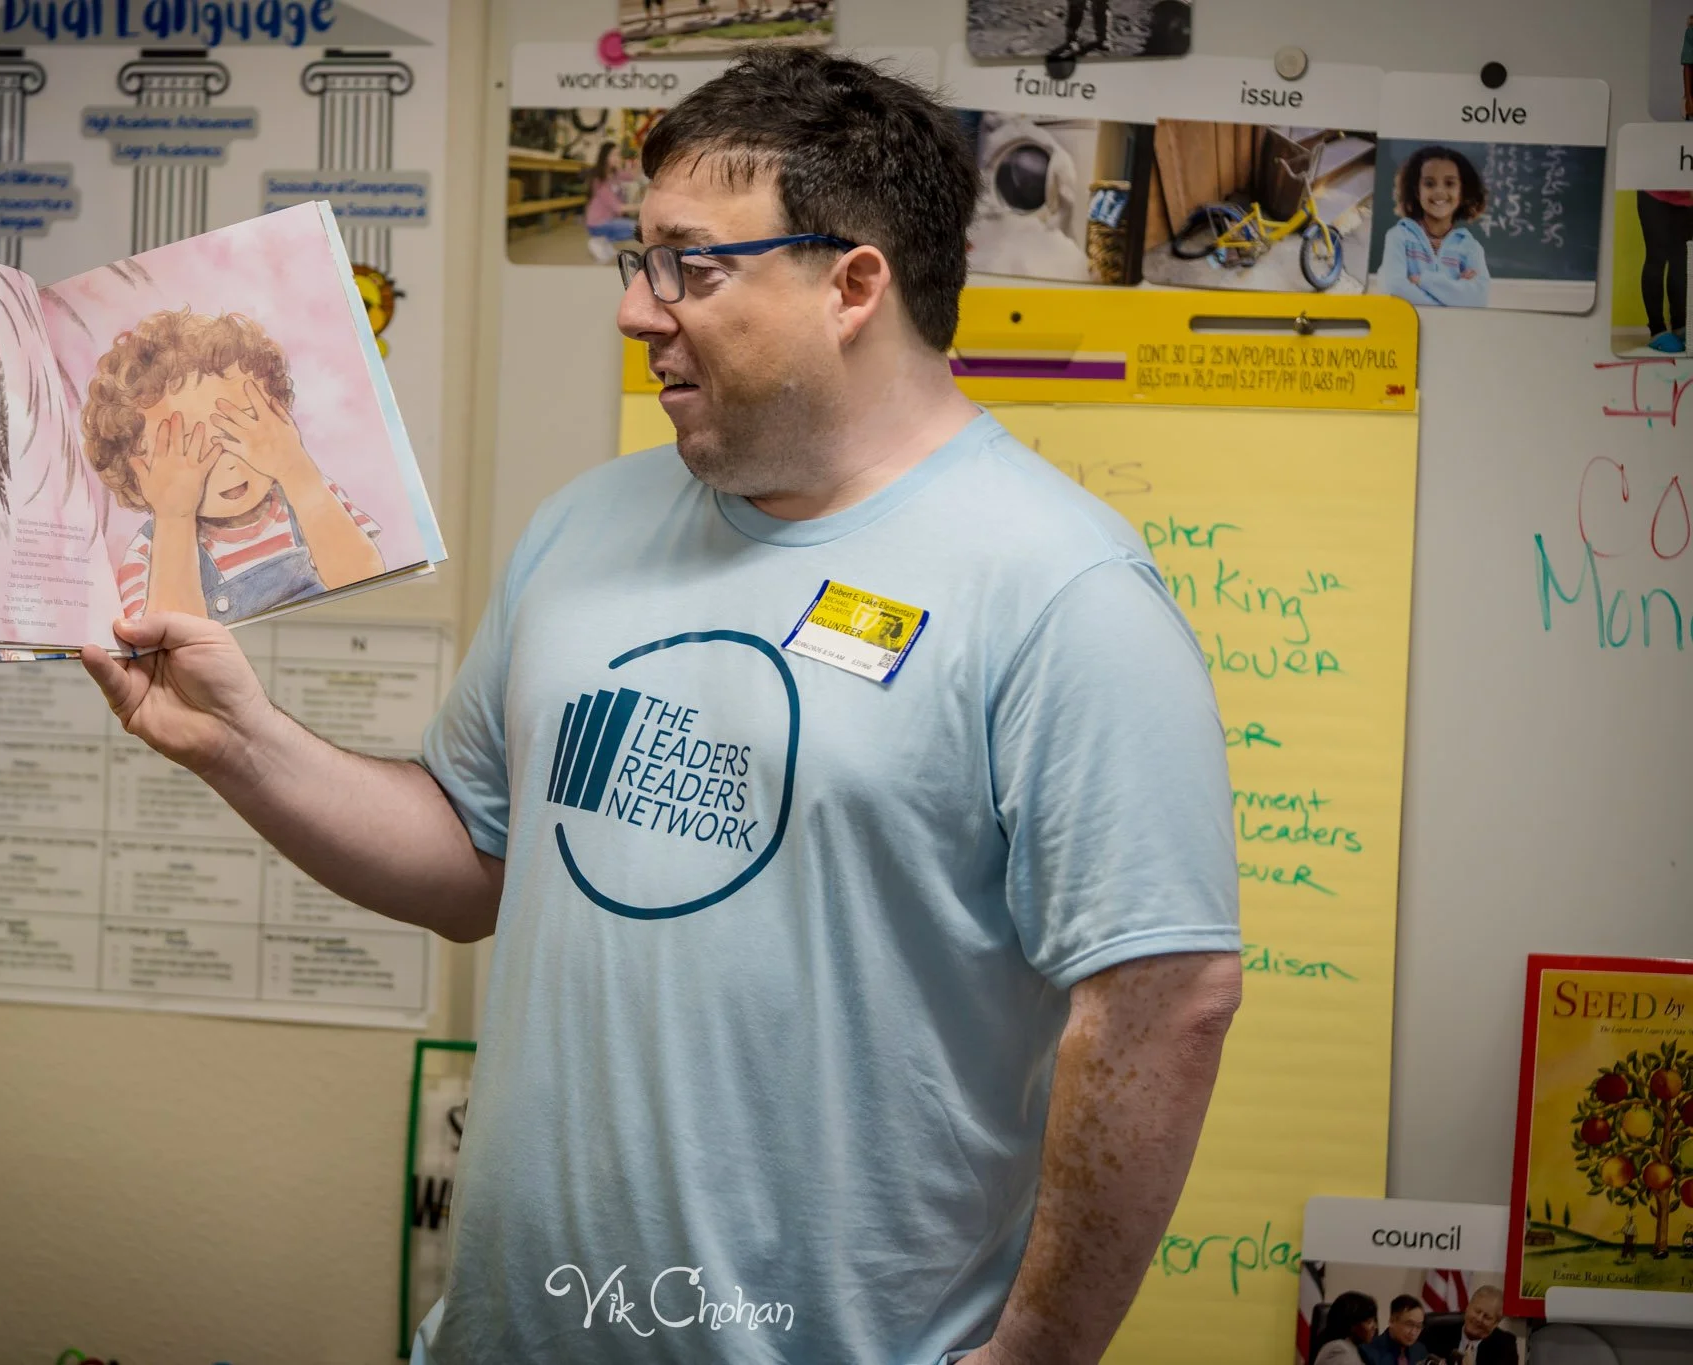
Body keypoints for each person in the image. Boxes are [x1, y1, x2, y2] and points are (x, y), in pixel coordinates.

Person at [82, 48, 1242, 1365]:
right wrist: (238, 742)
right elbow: (476, 861)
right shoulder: (586, 523)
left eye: (691, 266)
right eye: (640, 262)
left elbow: (1170, 994)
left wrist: (1039, 1351)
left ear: (851, 285)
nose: (639, 310)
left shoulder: (1059, 590)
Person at [80, 308, 384, 624]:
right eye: (191, 448)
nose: (228, 462)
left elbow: (366, 581)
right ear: (135, 472)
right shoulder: (149, 552)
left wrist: (296, 469)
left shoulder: (311, 497)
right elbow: (170, 637)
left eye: (242, 427)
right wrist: (174, 518)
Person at [1375, 146, 1491, 308]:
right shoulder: (1399, 237)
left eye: (1450, 183)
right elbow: (1394, 289)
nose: (1439, 192)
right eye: (1429, 184)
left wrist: (1423, 280)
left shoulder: (1470, 247)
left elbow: (1478, 300)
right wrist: (1454, 295)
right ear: (1417, 191)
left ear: (1462, 192)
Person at [1637, 189, 1693, 353]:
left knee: (1681, 261)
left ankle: (1680, 326)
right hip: (1653, 193)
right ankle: (1657, 330)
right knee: (1656, 257)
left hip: (1684, 198)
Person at [581, 142, 640, 265]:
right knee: (639, 229)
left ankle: (604, 241)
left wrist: (637, 162)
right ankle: (599, 239)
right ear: (605, 157)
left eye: (619, 154)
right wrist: (643, 206)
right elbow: (618, 207)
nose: (618, 158)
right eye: (614, 155)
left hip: (610, 220)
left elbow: (632, 176)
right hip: (598, 224)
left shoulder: (614, 173)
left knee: (638, 228)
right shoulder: (600, 180)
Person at [1450, 1283, 1520, 1365]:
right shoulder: (1440, 1332)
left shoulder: (1505, 1346)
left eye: (1487, 1317)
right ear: (1467, 1307)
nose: (1479, 1319)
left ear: (1495, 1323)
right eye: (1477, 1311)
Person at [1314, 1291, 1380, 1365]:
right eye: (1369, 1322)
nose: (1375, 1327)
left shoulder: (1354, 1349)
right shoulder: (1338, 1350)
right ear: (1352, 1324)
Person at [1364, 1296, 1430, 1365]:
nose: (1413, 1332)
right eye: (1409, 1324)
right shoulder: (1369, 1352)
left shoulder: (1420, 1350)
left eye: (1419, 1326)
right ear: (1392, 1321)